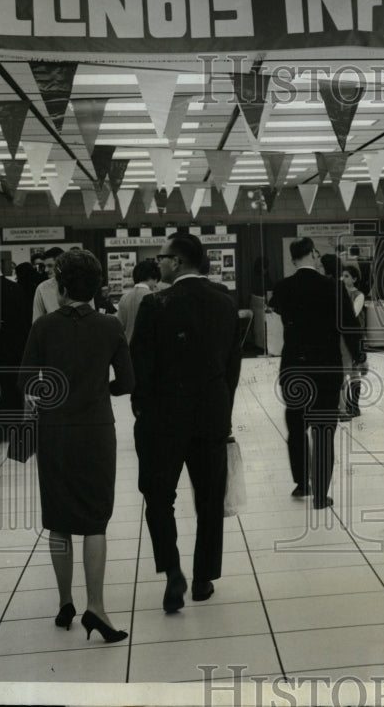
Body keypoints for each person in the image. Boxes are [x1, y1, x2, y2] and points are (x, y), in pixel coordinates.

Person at [19, 249, 134, 643]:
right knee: (95, 520)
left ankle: (65, 601)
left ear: (62, 287)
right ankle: (97, 607)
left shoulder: (44, 328)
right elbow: (128, 382)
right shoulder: (110, 327)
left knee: (59, 519)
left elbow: (25, 381)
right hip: (97, 429)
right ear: (97, 287)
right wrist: (100, 388)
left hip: (55, 431)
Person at [131, 233, 243, 612]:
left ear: (176, 262)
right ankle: (202, 579)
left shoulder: (155, 303)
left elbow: (139, 367)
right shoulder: (225, 304)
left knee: (159, 499)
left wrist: (141, 409)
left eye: (162, 257)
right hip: (210, 415)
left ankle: (173, 571)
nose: (158, 263)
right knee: (210, 498)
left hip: (163, 417)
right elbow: (232, 366)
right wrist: (222, 410)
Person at [271, 238, 364, 508]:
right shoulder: (333, 287)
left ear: (292, 260)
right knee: (324, 430)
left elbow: (277, 309)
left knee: (297, 427)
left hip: (293, 367)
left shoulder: (283, 287)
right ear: (313, 255)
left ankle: (302, 483)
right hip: (325, 367)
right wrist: (359, 355)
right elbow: (349, 326)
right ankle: (322, 494)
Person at [0, 254, 31, 418]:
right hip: (16, 348)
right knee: (14, 387)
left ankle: (0, 422)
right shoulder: (16, 287)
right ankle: (16, 422)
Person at [339, 265, 367, 419]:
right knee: (344, 370)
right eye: (343, 275)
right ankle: (345, 404)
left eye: (347, 276)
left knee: (355, 371)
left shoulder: (358, 295)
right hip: (343, 337)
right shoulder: (340, 293)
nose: (344, 278)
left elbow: (354, 313)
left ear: (355, 279)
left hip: (355, 336)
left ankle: (354, 405)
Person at [116, 260, 160, 344]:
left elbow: (119, 327)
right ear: (153, 278)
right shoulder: (154, 297)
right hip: (146, 348)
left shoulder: (124, 298)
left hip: (127, 348)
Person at [32, 247, 66, 321]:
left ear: (62, 265)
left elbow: (89, 316)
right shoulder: (42, 288)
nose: (46, 270)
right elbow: (36, 321)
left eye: (50, 266)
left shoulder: (79, 284)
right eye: (45, 266)